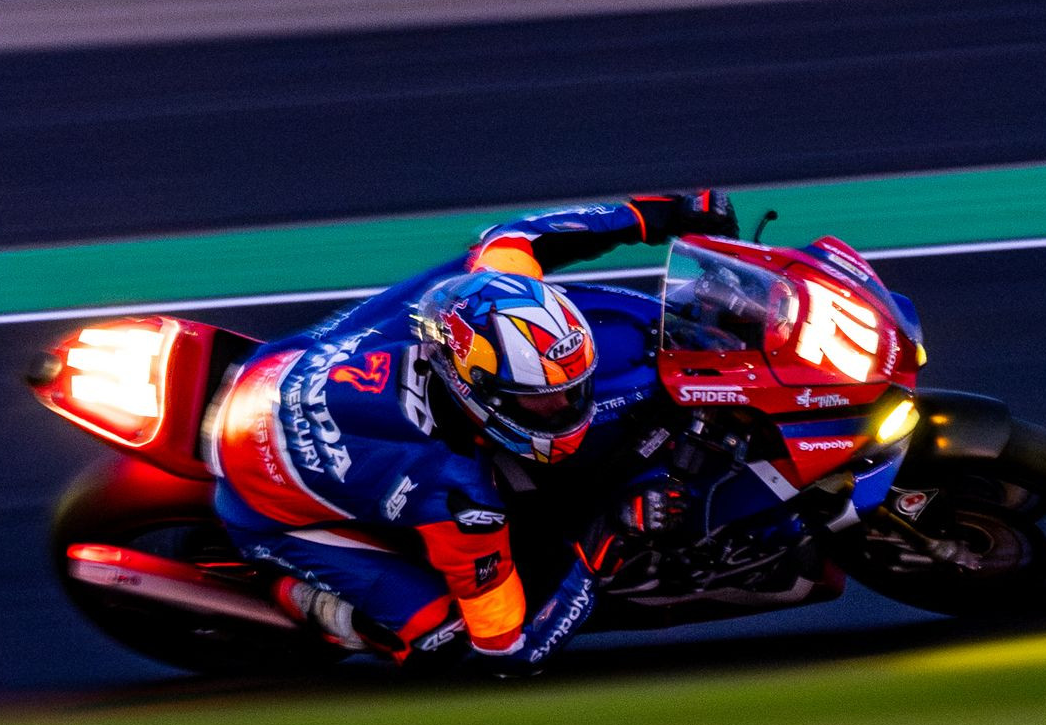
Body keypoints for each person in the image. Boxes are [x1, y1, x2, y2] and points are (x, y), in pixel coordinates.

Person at [205, 191, 736, 668]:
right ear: (474, 389)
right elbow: (509, 648)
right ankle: (299, 598)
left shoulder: (473, 299)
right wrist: (608, 536)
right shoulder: (455, 492)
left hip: (274, 369)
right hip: (261, 505)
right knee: (442, 639)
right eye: (541, 400)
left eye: (572, 389)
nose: (565, 407)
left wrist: (657, 213)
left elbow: (524, 235)